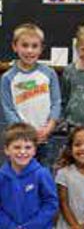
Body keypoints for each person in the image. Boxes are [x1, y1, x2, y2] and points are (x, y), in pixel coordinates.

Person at [0, 123, 58, 229]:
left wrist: (29, 228)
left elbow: (51, 204)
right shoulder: (1, 176)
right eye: (17, 147)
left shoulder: (41, 174)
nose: (22, 152)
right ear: (7, 150)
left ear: (34, 150)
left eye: (27, 147)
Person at [1, 23, 61, 169]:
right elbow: (8, 109)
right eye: (25, 45)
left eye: (34, 46)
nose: (29, 50)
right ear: (15, 47)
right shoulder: (8, 78)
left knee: (45, 173)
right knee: (21, 174)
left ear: (41, 48)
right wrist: (26, 132)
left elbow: (56, 102)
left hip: (46, 137)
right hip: (21, 141)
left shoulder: (49, 73)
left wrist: (49, 127)